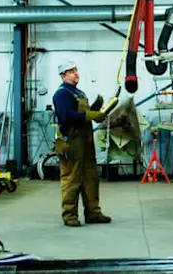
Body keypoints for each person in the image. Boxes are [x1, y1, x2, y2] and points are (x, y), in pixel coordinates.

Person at [52, 60, 112, 227]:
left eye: (76, 70)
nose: (76, 74)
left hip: (85, 141)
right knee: (72, 179)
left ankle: (93, 212)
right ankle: (69, 215)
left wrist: (96, 109)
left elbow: (81, 112)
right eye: (71, 71)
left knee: (90, 177)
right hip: (71, 141)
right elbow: (66, 116)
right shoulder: (62, 94)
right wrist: (91, 115)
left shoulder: (79, 92)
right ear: (63, 75)